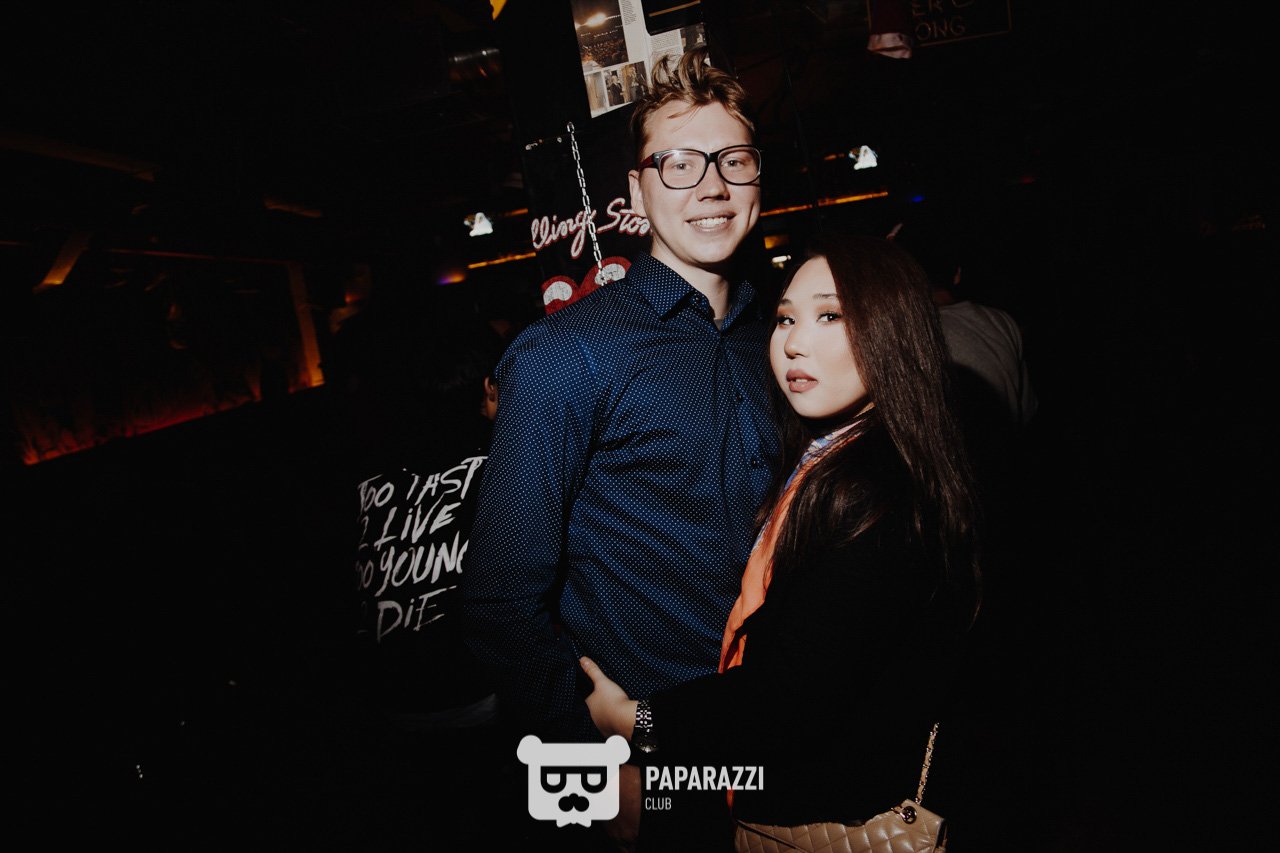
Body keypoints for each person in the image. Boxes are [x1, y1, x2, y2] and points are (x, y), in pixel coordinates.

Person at [462, 46, 777, 849]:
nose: (711, 185)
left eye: (733, 160)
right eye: (677, 163)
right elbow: (500, 602)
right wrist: (591, 771)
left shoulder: (781, 341)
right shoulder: (565, 356)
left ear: (756, 178)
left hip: (773, 726)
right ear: (636, 193)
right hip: (650, 746)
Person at [581, 234, 982, 850]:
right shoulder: (837, 455)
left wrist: (634, 722)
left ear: (894, 332)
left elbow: (787, 704)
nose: (794, 342)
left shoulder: (877, 494)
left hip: (830, 806)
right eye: (786, 318)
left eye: (830, 316)